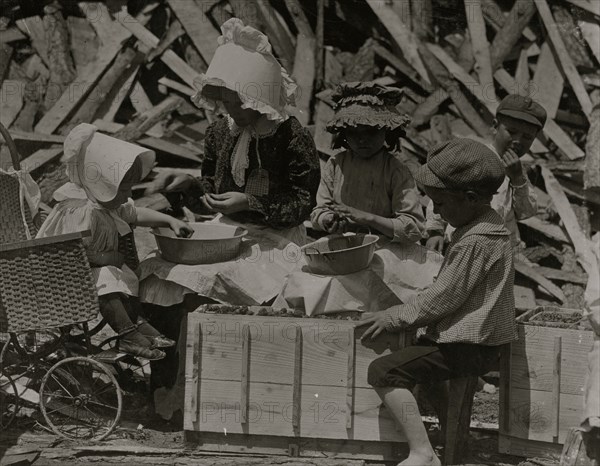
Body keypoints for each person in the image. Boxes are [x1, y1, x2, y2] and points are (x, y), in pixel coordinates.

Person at [359, 138, 517, 466]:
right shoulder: (487, 228)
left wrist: (392, 317)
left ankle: (422, 452)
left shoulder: (475, 241)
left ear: (470, 199)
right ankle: (448, 444)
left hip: (469, 345)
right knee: (419, 360)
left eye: (441, 204)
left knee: (384, 371)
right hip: (478, 343)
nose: (438, 212)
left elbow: (443, 298)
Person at [147, 18, 320, 245]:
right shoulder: (220, 132)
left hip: (278, 236)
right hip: (229, 228)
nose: (233, 110)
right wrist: (188, 184)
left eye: (242, 102)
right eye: (227, 102)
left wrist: (250, 202)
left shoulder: (291, 136)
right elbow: (211, 192)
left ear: (261, 99)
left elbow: (302, 202)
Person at [37, 123, 193, 360]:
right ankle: (128, 334)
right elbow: (69, 250)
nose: (128, 196)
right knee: (109, 276)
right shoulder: (80, 210)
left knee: (125, 274)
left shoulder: (109, 205)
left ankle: (137, 324)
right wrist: (105, 258)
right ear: (101, 186)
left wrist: (170, 220)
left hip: (93, 273)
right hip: (64, 276)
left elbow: (136, 213)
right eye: (122, 190)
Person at [425, 94, 546, 255]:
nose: (518, 141)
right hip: (462, 245)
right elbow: (440, 193)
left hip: (500, 251)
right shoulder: (471, 158)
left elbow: (526, 213)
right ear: (495, 127)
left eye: (527, 137)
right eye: (512, 131)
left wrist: (517, 179)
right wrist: (435, 232)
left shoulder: (518, 171)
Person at [310, 82, 424, 242]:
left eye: (371, 131)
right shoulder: (336, 164)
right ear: (343, 133)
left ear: (387, 129)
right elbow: (320, 210)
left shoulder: (395, 170)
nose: (362, 139)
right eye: (353, 132)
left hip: (384, 247)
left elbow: (414, 228)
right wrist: (328, 220)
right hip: (345, 244)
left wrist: (368, 218)